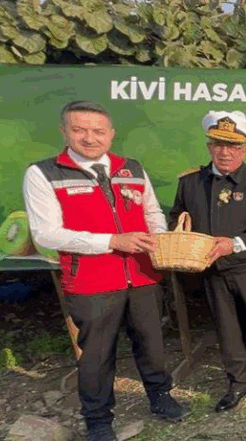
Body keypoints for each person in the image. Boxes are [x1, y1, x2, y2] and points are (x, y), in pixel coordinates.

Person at [23, 101, 187, 441]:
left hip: (143, 275)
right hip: (91, 281)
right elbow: (46, 234)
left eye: (98, 131)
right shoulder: (43, 172)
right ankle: (98, 421)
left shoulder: (132, 168)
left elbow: (152, 211)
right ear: (64, 131)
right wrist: (112, 241)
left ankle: (160, 396)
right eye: (79, 129)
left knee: (151, 343)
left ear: (111, 134)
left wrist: (157, 233)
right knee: (96, 356)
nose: (90, 137)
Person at [169, 111, 246, 412]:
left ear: (244, 150)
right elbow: (177, 219)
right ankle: (239, 384)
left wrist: (233, 244)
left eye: (233, 146)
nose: (225, 152)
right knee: (228, 332)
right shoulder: (190, 182)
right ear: (209, 146)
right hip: (212, 272)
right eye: (218, 144)